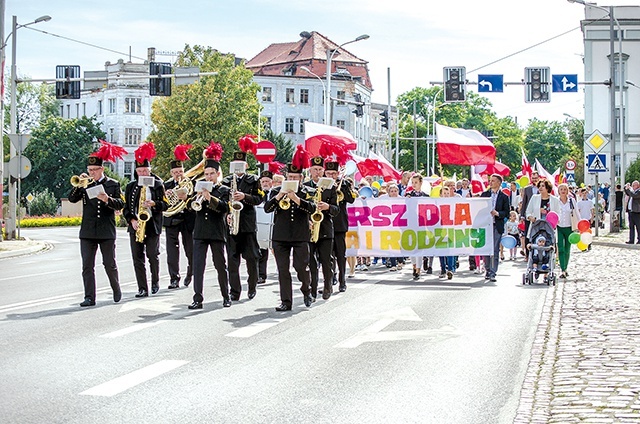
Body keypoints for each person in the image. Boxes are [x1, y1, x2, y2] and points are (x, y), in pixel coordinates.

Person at [68, 141, 126, 307]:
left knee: (109, 263)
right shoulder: (84, 184)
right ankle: (89, 297)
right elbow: (72, 199)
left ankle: (116, 288)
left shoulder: (112, 184)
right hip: (88, 231)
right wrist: (80, 186)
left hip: (106, 230)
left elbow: (120, 204)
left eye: (95, 170)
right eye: (90, 170)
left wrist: (107, 199)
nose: (92, 173)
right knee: (87, 266)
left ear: (102, 169)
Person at [264, 147, 316, 311]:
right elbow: (267, 208)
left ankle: (306, 290)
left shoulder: (307, 191)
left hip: (300, 235)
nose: (292, 179)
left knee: (301, 267)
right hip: (281, 236)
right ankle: (286, 301)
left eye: (295, 177)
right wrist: (280, 195)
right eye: (290, 177)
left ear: (301, 178)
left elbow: (313, 209)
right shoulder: (276, 191)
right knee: (282, 270)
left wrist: (296, 198)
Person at [188, 142, 231, 309]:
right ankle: (197, 298)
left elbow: (224, 207)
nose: (209, 177)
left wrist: (209, 198)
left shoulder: (223, 190)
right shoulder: (198, 187)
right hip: (199, 233)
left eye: (212, 174)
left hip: (216, 232)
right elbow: (191, 207)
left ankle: (226, 296)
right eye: (206, 174)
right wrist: (195, 197)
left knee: (220, 265)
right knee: (198, 267)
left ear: (218, 173)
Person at [124, 142, 168, 298]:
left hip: (152, 225)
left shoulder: (158, 184)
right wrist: (132, 220)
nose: (143, 173)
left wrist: (154, 204)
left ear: (150, 170)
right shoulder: (131, 186)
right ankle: (142, 287)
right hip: (136, 225)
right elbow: (126, 208)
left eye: (145, 170)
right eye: (140, 171)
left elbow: (166, 204)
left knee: (152, 255)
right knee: (137, 258)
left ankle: (155, 281)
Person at [222, 147, 263, 301]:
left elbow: (259, 199)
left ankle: (252, 286)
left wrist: (244, 196)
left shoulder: (253, 180)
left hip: (247, 225)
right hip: (232, 224)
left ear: (246, 166)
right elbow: (222, 202)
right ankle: (234, 291)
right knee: (232, 260)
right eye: (235, 164)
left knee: (251, 258)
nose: (238, 167)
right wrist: (226, 214)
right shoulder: (226, 181)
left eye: (241, 164)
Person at [163, 145, 195, 290]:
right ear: (171, 173)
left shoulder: (191, 183)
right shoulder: (166, 185)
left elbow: (195, 201)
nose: (178, 174)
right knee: (172, 251)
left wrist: (186, 197)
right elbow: (164, 204)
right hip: (172, 220)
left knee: (190, 249)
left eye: (180, 171)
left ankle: (191, 272)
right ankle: (174, 278)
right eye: (175, 172)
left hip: (188, 220)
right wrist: (168, 196)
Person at [324, 160, 356, 292]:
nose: (331, 176)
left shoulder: (344, 184)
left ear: (338, 173)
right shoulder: (323, 184)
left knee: (340, 254)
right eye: (328, 173)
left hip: (339, 224)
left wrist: (343, 186)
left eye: (333, 173)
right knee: (327, 255)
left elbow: (351, 199)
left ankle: (343, 280)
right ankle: (332, 277)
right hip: (325, 223)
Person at [480, 173, 510, 282]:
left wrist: (497, 213)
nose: (490, 182)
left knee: (495, 249)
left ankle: (493, 272)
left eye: (493, 181)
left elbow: (506, 212)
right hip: (485, 226)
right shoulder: (484, 194)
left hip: (496, 225)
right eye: (490, 180)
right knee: (485, 249)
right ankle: (487, 269)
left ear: (499, 183)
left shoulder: (504, 197)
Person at [405, 173, 429, 280]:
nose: (414, 185)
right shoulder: (408, 195)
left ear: (421, 183)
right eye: (412, 182)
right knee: (411, 246)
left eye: (416, 182)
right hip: (411, 223)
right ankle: (414, 265)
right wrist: (407, 199)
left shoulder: (426, 196)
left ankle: (418, 269)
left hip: (422, 224)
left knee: (420, 247)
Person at [256, 166, 277, 285]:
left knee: (277, 250)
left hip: (274, 225)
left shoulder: (276, 192)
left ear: (272, 182)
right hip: (261, 227)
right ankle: (261, 275)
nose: (265, 183)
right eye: (263, 181)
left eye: (267, 181)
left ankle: (281, 271)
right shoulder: (258, 194)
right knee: (261, 251)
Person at [556, 183, 580, 279]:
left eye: (565, 189)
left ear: (567, 191)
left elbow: (577, 213)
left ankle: (566, 267)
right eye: (561, 189)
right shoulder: (556, 201)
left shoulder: (571, 201)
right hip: (559, 227)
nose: (563, 191)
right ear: (558, 191)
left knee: (567, 249)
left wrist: (580, 225)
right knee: (560, 248)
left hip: (569, 227)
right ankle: (563, 269)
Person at [519, 171, 540, 256]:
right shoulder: (527, 189)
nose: (534, 180)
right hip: (529, 214)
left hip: (538, 213)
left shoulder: (542, 188)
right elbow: (524, 202)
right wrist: (522, 215)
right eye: (533, 178)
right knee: (528, 233)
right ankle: (528, 254)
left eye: (536, 178)